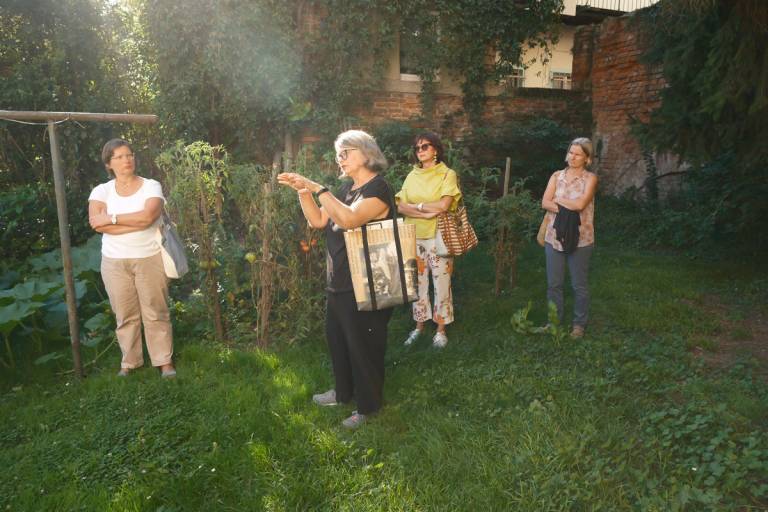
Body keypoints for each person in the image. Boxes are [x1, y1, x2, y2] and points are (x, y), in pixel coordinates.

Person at [277, 130, 395, 429]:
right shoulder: (345, 189)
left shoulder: (379, 188)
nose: (339, 159)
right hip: (339, 279)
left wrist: (318, 188)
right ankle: (343, 394)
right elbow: (318, 221)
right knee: (338, 341)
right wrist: (304, 192)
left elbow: (349, 219)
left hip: (367, 282)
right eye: (337, 154)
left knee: (364, 347)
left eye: (345, 152)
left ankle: (368, 407)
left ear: (367, 153)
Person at [88, 139, 176, 377]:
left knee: (155, 311)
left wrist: (113, 219)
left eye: (129, 155)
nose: (126, 160)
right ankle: (130, 362)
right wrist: (133, 222)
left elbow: (147, 218)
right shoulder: (101, 191)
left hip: (149, 257)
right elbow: (97, 224)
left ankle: (164, 361)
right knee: (125, 315)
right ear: (109, 164)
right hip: (114, 262)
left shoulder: (151, 186)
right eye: (119, 157)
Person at [395, 132, 462, 348]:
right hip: (413, 235)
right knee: (417, 283)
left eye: (425, 146)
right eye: (417, 148)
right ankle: (419, 326)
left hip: (438, 236)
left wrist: (417, 207)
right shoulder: (412, 175)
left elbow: (444, 205)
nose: (420, 151)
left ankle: (441, 330)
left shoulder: (447, 174)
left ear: (436, 150)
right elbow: (400, 206)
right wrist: (425, 212)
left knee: (441, 282)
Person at [540, 137, 598, 338]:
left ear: (587, 159)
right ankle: (553, 322)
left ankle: (579, 325)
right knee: (554, 284)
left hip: (582, 238)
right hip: (554, 236)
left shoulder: (590, 179)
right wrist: (568, 207)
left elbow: (581, 204)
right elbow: (545, 202)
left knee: (578, 285)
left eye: (578, 154)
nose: (572, 157)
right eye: (571, 152)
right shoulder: (557, 176)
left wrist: (558, 200)